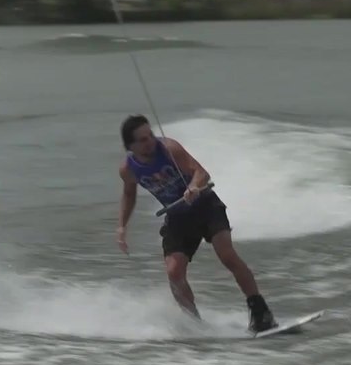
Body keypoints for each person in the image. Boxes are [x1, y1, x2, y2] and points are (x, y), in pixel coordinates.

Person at [115, 114, 277, 334]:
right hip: (177, 216)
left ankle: (260, 312)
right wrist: (122, 226)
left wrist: (193, 187)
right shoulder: (128, 169)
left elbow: (201, 172)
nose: (150, 141)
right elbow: (129, 195)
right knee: (174, 273)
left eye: (150, 135)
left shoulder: (170, 148)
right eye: (143, 140)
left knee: (227, 255)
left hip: (205, 206)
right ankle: (195, 326)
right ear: (130, 146)